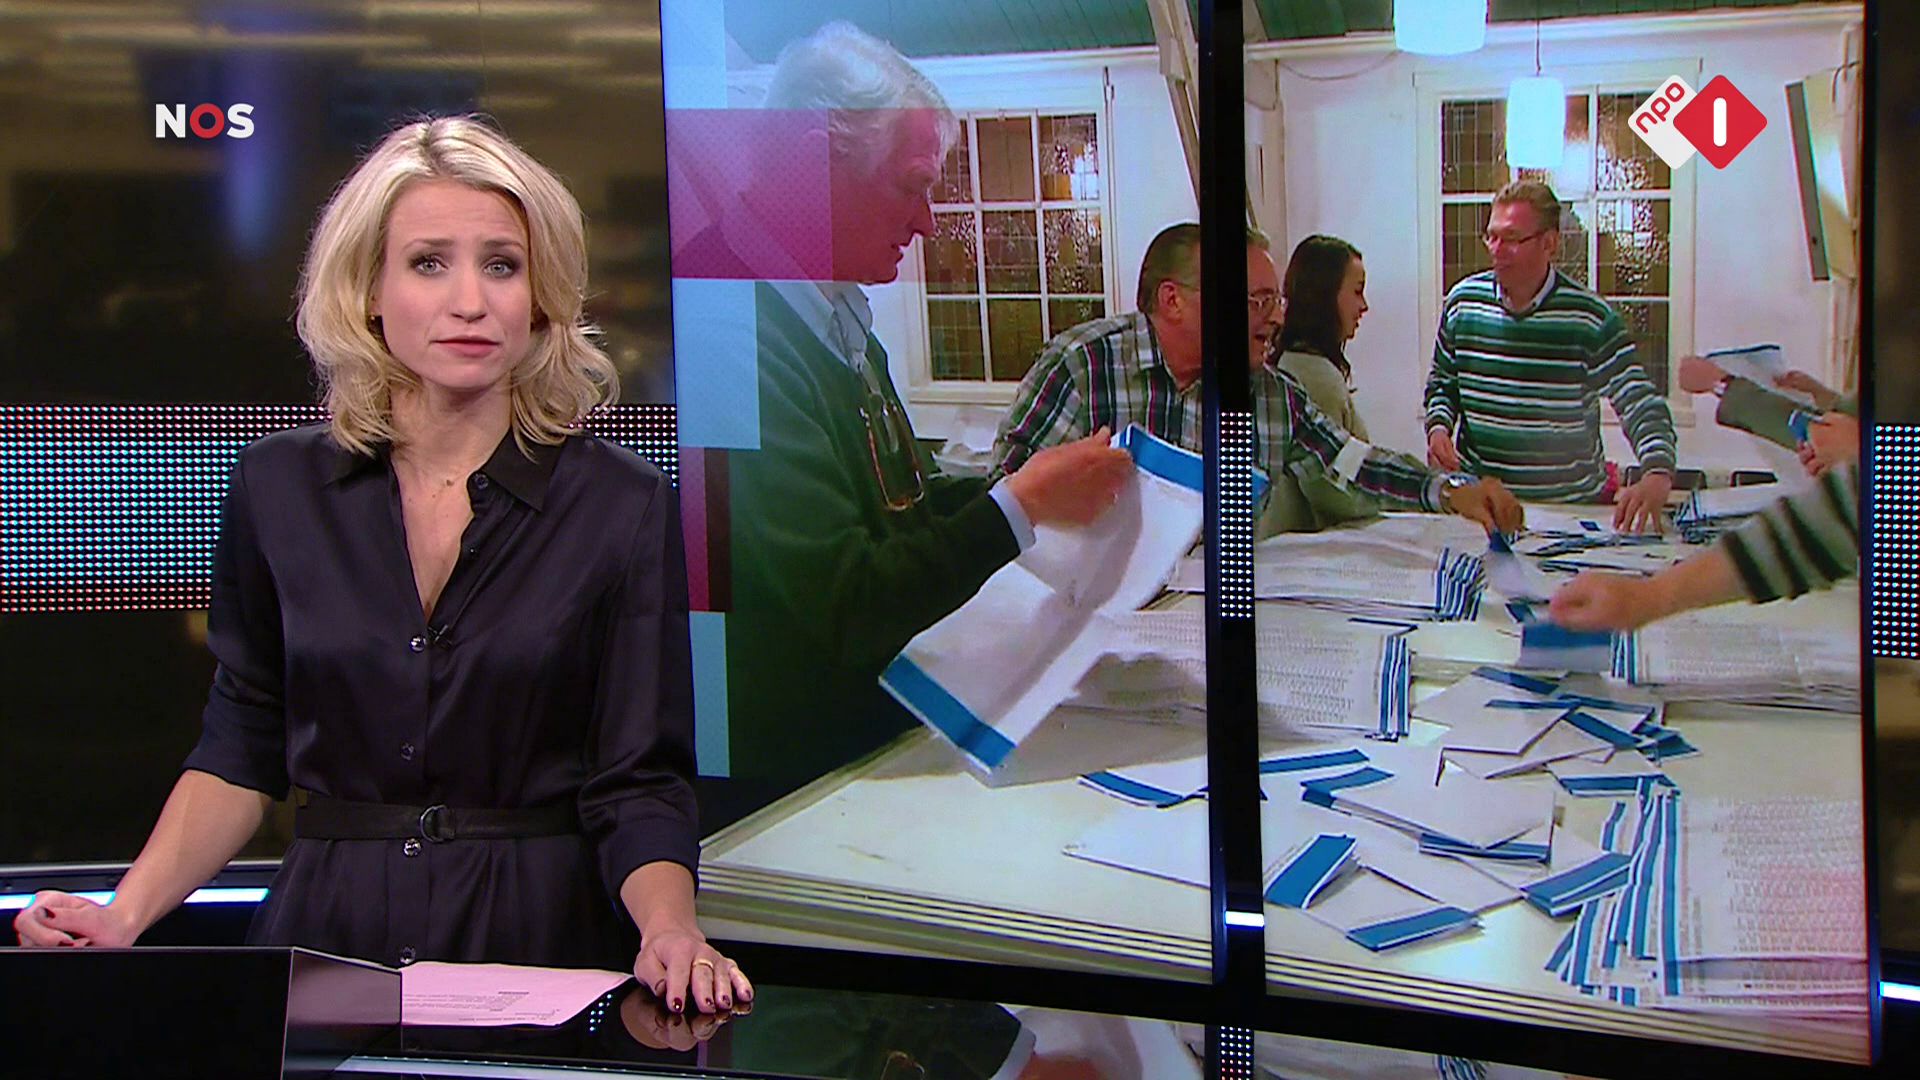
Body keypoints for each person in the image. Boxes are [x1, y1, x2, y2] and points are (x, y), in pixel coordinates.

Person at [13, 117, 748, 1015]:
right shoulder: (278, 487)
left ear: (541, 297)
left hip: (540, 940)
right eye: (429, 263)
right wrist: (122, 914)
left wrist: (671, 929)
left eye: (502, 265)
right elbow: (242, 746)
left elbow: (638, 779)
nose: (470, 301)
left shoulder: (620, 503)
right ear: (368, 289)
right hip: (328, 937)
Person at [710, 23, 1133, 798]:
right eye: (911, 185)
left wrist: (1035, 489)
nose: (928, 222)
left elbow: (896, 510)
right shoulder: (726, 336)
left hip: (863, 755)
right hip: (781, 796)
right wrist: (1018, 506)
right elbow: (845, 604)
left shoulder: (836, 320)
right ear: (812, 162)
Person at [995, 223, 1522, 535]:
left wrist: (1451, 491)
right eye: (1256, 301)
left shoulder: (1270, 395)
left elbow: (1354, 465)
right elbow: (1006, 497)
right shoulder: (1083, 368)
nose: (1275, 319)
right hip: (1089, 626)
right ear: (1173, 300)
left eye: (1276, 301)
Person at [1423, 181, 1677, 532]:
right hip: (1485, 508)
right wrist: (1438, 427)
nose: (1497, 250)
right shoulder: (1463, 303)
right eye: (1492, 237)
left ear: (1549, 243)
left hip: (1570, 511)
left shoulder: (1589, 318)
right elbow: (1442, 383)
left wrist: (1657, 471)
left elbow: (1638, 399)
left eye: (1512, 238)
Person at [1265, 233, 1379, 532]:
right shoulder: (1313, 376)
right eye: (1357, 291)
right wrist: (1388, 501)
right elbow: (1328, 487)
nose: (1364, 305)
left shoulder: (1299, 364)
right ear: (1326, 296)